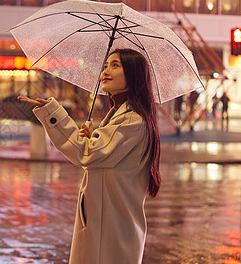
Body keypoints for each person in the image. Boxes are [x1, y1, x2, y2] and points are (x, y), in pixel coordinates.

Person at [18, 48, 161, 264]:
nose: (106, 71)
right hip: (105, 221)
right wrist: (92, 137)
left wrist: (53, 114)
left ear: (133, 74)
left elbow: (86, 154)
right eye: (105, 66)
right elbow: (96, 155)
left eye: (115, 65)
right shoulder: (119, 115)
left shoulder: (132, 120)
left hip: (111, 228)